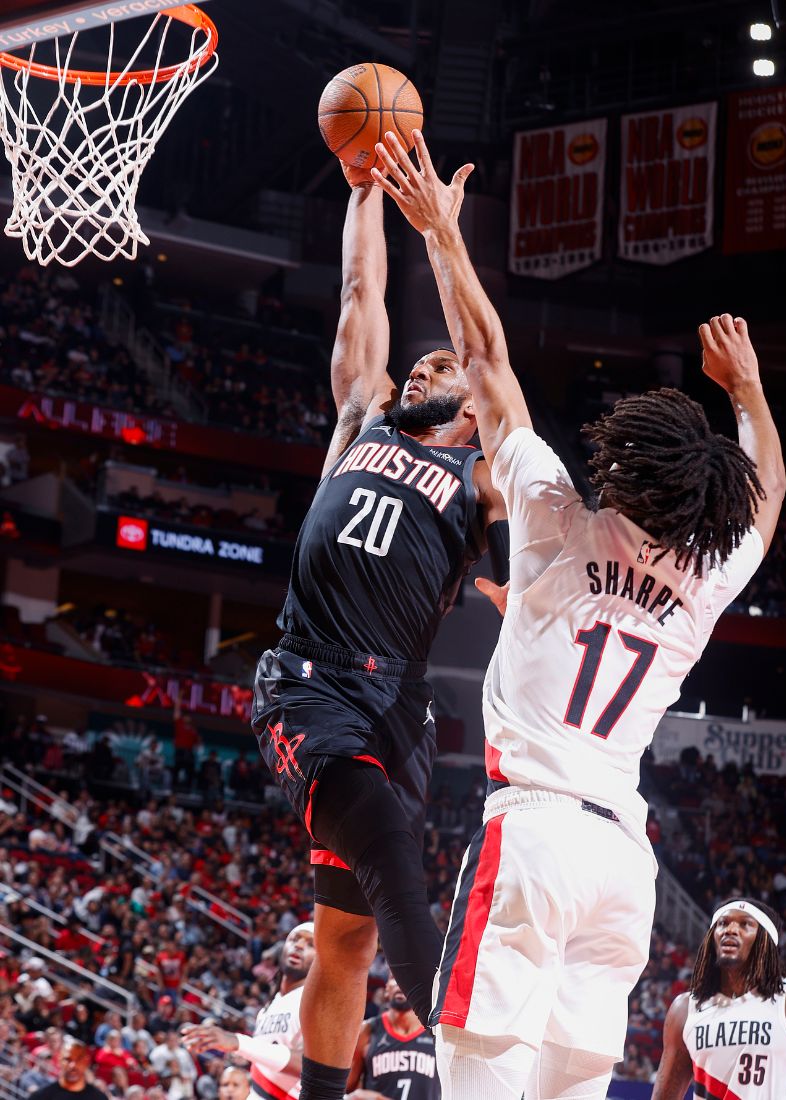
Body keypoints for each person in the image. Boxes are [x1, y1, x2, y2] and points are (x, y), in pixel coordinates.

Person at [371, 127, 786, 1100]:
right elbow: (765, 495)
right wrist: (750, 391)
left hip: (536, 829)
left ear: (626, 463)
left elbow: (484, 359)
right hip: (621, 862)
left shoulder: (556, 514)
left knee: (478, 1072)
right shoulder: (703, 579)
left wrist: (440, 233)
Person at [251, 153, 507, 1100]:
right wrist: (362, 188)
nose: (426, 365)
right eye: (423, 360)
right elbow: (361, 292)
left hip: (398, 704)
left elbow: (488, 358)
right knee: (396, 869)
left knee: (348, 939)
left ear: (473, 404)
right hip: (310, 684)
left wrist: (446, 236)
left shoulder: (484, 477)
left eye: (445, 365)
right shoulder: (363, 418)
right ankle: (483, 1069)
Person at [651, 897, 786, 1099]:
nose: (730, 929)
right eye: (722, 923)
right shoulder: (685, 1008)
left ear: (765, 941)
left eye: (745, 924)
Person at [183, 922, 315, 1100]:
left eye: (310, 944)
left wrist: (239, 1043)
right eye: (295, 939)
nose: (299, 945)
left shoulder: (316, 1001)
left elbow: (313, 1066)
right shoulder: (270, 1006)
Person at [347, 975, 440, 1100]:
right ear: (386, 989)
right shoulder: (366, 1030)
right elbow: (345, 1088)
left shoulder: (437, 1033)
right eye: (394, 977)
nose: (400, 983)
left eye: (407, 977)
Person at [28, 1039, 107, 1100]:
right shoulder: (41, 1097)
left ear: (86, 1062)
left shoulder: (99, 1097)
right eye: (68, 1059)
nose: (73, 1065)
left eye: (79, 1059)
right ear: (59, 1061)